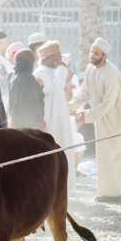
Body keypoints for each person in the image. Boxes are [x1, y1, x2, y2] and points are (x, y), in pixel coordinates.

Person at [71, 38, 121, 202]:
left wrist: (86, 115)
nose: (91, 56)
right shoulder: (90, 69)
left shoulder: (112, 73)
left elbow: (108, 103)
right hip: (101, 119)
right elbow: (85, 92)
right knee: (104, 154)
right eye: (91, 52)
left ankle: (114, 194)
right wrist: (70, 107)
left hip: (117, 119)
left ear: (105, 55)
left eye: (95, 53)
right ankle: (107, 191)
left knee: (114, 156)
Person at [33, 41, 78, 189]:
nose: (60, 58)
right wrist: (63, 66)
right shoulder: (40, 72)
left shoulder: (51, 71)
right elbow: (54, 87)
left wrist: (66, 86)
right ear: (49, 56)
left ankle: (63, 189)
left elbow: (58, 89)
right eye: (58, 54)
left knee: (63, 153)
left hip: (60, 120)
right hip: (51, 122)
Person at [8, 48, 45, 130]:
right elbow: (36, 101)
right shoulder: (29, 78)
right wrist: (40, 122)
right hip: (30, 124)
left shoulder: (12, 77)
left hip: (17, 123)